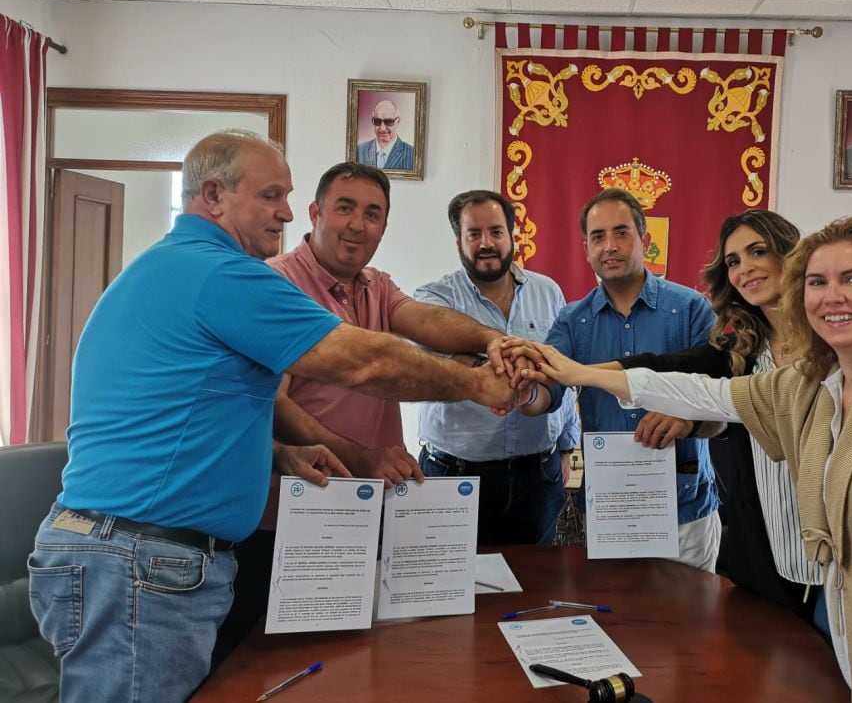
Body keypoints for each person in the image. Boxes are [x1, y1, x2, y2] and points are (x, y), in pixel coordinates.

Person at [27, 131, 519, 703]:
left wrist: (277, 452)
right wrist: (478, 383)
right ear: (213, 194)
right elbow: (363, 363)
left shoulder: (183, 267)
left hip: (140, 554)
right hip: (141, 560)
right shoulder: (226, 275)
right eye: (271, 196)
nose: (286, 212)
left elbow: (184, 411)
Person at [518, 216, 852, 702]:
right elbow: (697, 391)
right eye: (817, 283)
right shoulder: (810, 388)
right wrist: (579, 373)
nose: (831, 296)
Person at [216, 165, 526, 665]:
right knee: (274, 662)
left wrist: (492, 338)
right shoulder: (276, 283)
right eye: (345, 208)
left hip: (366, 511)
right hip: (287, 522)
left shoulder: (375, 285)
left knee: (354, 659)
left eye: (373, 214)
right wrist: (361, 457)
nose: (358, 224)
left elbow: (425, 321)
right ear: (315, 214)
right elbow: (274, 404)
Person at [616, 210, 827, 633]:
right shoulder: (737, 353)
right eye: (733, 261)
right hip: (761, 554)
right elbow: (664, 369)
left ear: (792, 255)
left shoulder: (833, 343)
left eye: (757, 252)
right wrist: (563, 371)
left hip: (833, 557)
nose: (745, 268)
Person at [520, 188, 721, 572]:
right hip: (610, 509)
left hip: (684, 508)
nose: (609, 246)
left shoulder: (691, 308)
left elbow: (719, 399)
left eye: (621, 233)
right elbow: (548, 389)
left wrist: (684, 418)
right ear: (586, 248)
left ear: (645, 240)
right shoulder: (572, 320)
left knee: (690, 628)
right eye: (597, 237)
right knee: (615, 623)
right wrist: (523, 393)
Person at [415, 190, 580, 545]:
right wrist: (502, 365)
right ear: (459, 240)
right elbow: (432, 363)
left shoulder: (548, 292)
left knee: (535, 591)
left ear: (512, 235)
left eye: (496, 232)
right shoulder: (434, 298)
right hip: (452, 475)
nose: (486, 243)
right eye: (474, 234)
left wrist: (566, 446)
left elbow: (562, 373)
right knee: (451, 592)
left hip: (538, 477)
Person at [357, 100, 414, 171]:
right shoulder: (359, 150)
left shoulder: (412, 154)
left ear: (398, 121)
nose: (383, 128)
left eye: (389, 122)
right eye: (377, 121)